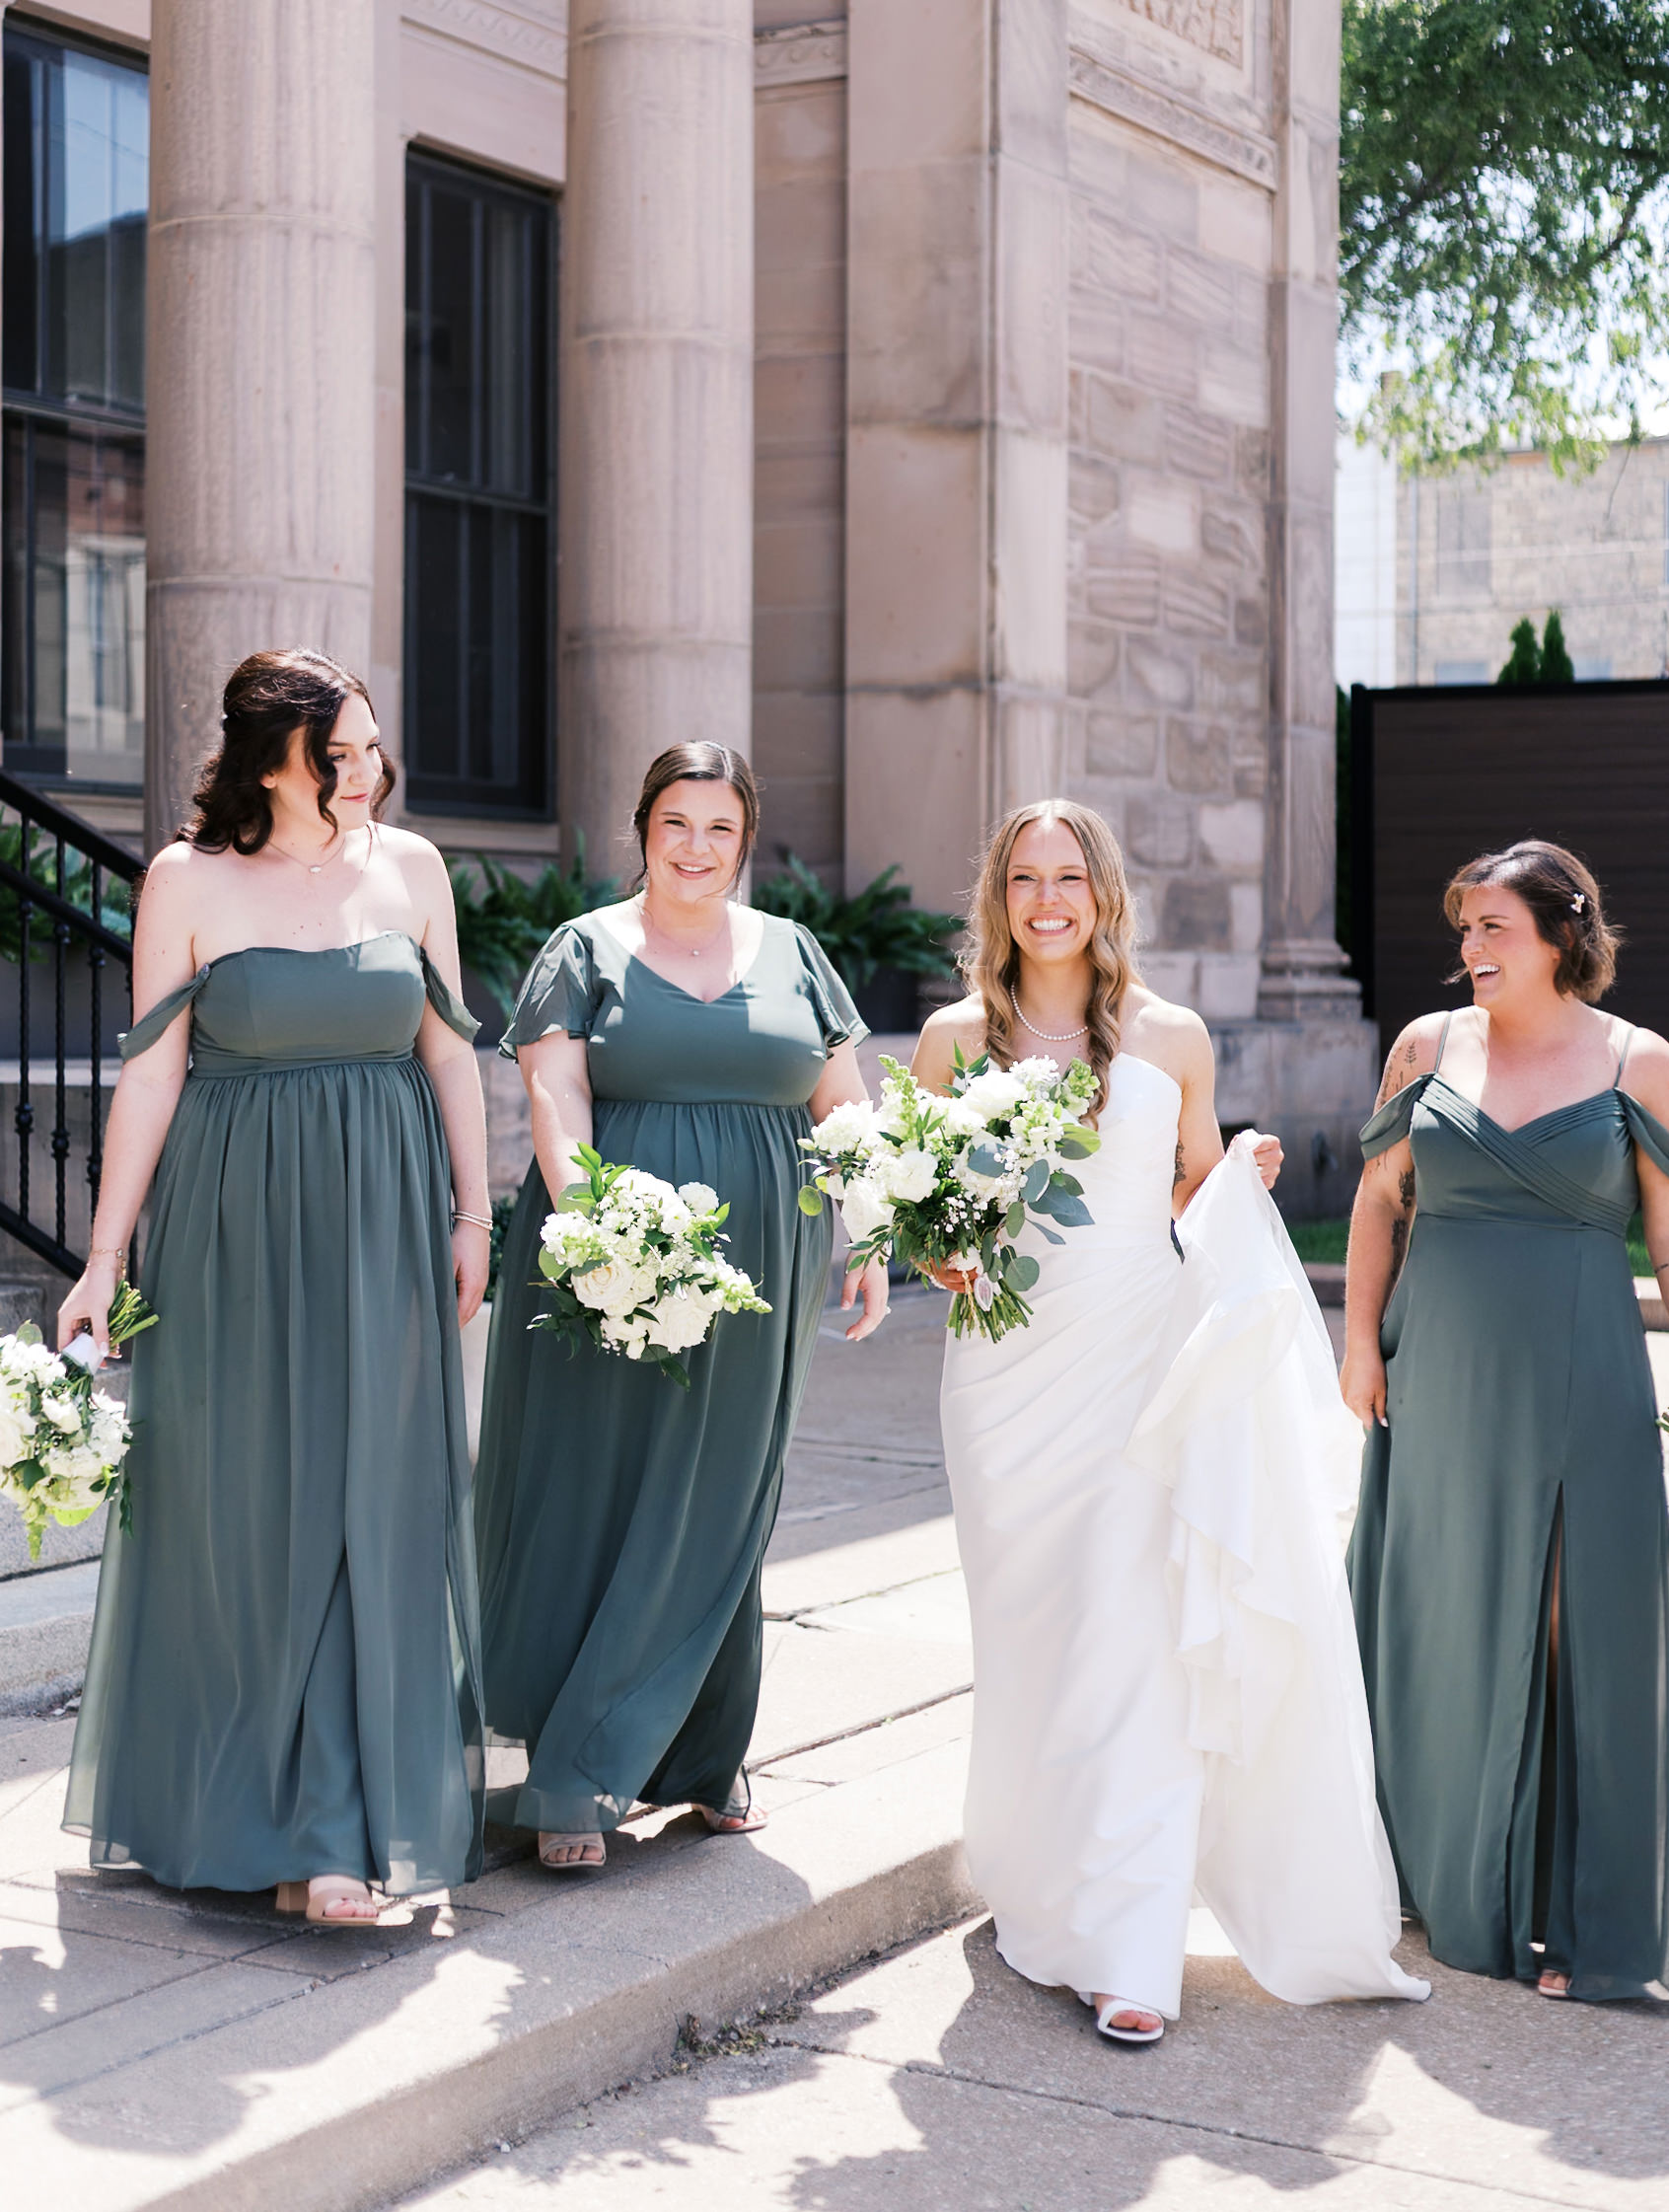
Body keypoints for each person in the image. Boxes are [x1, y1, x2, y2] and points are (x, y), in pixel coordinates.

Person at [914, 799, 1428, 2043]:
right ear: (1000, 893)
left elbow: (1192, 1183)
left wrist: (1237, 1177)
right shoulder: (951, 1041)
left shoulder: (1172, 1034)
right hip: (1001, 1381)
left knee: (1133, 1635)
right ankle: (1044, 1877)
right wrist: (944, 1260)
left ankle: (1129, 1947)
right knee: (1037, 1638)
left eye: (1070, 877)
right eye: (1026, 877)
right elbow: (925, 1209)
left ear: (1102, 894)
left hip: (1138, 1362)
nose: (1050, 899)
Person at [60, 649, 489, 1926]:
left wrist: (475, 1212)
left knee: (374, 1501)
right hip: (231, 1227)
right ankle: (245, 1810)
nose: (366, 769)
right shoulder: (185, 881)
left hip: (386, 1218)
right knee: (247, 1505)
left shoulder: (410, 869)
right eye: (337, 752)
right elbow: (150, 1074)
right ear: (269, 760)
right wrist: (101, 1254)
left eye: (369, 747)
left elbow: (453, 1053)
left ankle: (336, 1829)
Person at [472, 741, 888, 1868]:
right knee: (597, 1495)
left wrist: (876, 1231)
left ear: (745, 839)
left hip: (764, 1265)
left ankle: (702, 1753)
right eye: (676, 825)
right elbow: (554, 1100)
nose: (696, 849)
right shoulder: (584, 949)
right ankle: (573, 1772)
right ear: (642, 829)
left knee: (720, 1499)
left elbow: (844, 1106)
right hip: (615, 1256)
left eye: (720, 828)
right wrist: (607, 1229)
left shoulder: (796, 954)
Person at [1344, 839, 1669, 2002]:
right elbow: (1378, 1207)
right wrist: (1358, 1347)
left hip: (1588, 1380)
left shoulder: (1641, 1065)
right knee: (1442, 1611)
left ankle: (1572, 1914)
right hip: (1438, 1374)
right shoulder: (1425, 1050)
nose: (1471, 950)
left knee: (1578, 1627)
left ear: (1561, 936)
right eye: (1465, 929)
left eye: (1495, 930)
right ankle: (1441, 1879)